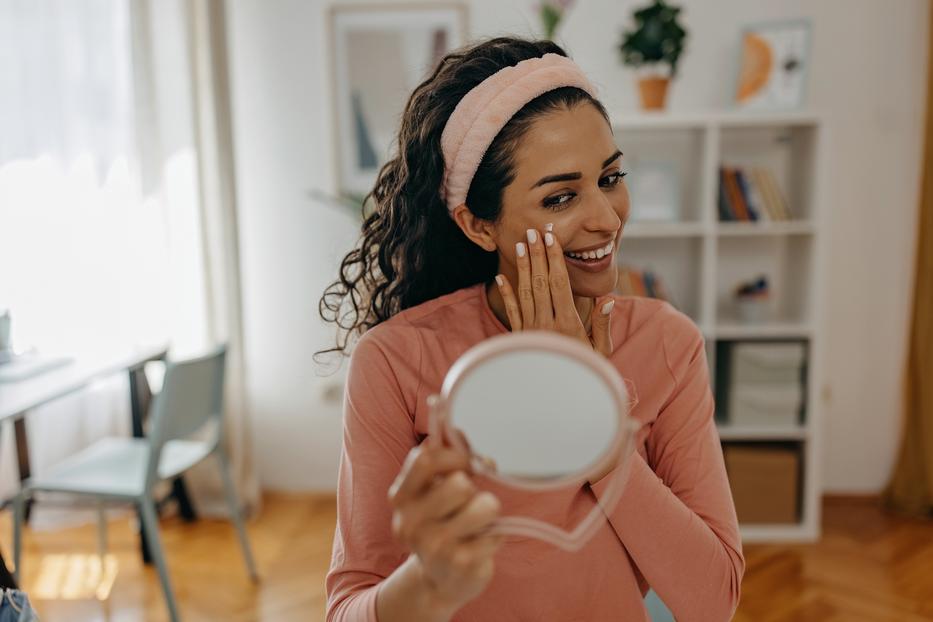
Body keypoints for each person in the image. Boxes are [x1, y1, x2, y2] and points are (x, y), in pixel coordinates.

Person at [319, 36, 744, 622]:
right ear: (477, 225)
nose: (605, 218)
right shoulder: (396, 360)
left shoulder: (667, 344)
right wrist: (428, 580)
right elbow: (348, 609)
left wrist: (593, 420)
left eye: (610, 177)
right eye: (561, 197)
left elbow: (713, 601)